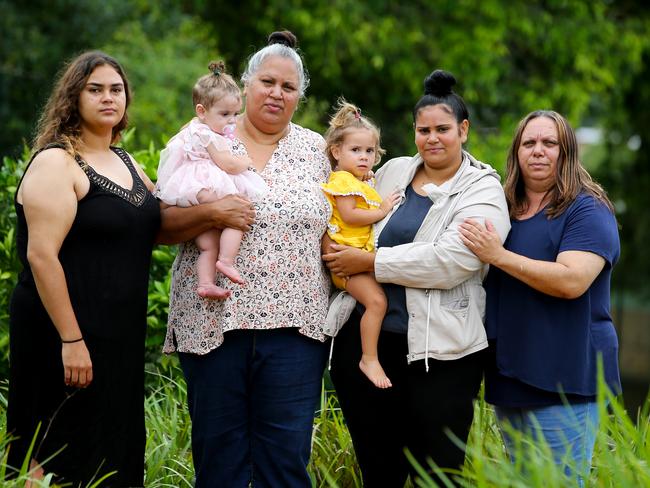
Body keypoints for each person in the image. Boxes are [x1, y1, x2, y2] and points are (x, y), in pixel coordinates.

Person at [323, 69, 511, 487]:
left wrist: (369, 263)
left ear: (463, 130)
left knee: (439, 474)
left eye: (443, 129)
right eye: (423, 130)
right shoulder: (392, 173)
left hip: (441, 354)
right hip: (370, 346)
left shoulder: (483, 189)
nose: (432, 138)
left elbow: (451, 260)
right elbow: (345, 215)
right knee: (379, 470)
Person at [162, 31, 331, 487]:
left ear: (300, 96)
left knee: (286, 462)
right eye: (267, 82)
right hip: (214, 323)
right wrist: (213, 211)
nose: (277, 93)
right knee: (220, 462)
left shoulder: (318, 151)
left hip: (294, 330)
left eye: (289, 87)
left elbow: (347, 220)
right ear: (246, 83)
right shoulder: (201, 139)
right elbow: (159, 224)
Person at [5, 51, 161, 487]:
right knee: (61, 460)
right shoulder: (58, 162)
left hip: (117, 339)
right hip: (64, 335)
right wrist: (71, 340)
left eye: (116, 89)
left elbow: (155, 223)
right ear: (73, 98)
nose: (108, 97)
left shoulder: (127, 162)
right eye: (95, 89)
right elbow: (41, 256)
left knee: (113, 456)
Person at [458, 110, 620, 483]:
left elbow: (571, 281)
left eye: (550, 143)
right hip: (512, 374)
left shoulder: (587, 209)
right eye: (529, 143)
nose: (538, 151)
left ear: (567, 153)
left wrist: (498, 255)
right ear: (516, 152)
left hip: (565, 375)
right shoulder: (502, 208)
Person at [155, 61, 267, 299]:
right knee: (236, 212)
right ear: (201, 111)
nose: (231, 121)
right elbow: (227, 164)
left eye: (235, 114)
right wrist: (245, 160)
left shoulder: (192, 128)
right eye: (225, 114)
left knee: (208, 243)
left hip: (188, 190)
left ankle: (206, 283)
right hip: (204, 185)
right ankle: (227, 261)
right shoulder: (208, 135)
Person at [321, 100, 400, 388]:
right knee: (377, 302)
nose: (364, 157)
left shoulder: (357, 180)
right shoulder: (342, 180)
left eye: (369, 151)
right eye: (356, 151)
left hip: (357, 257)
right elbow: (350, 216)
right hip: (345, 261)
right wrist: (382, 209)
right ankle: (369, 358)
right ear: (336, 152)